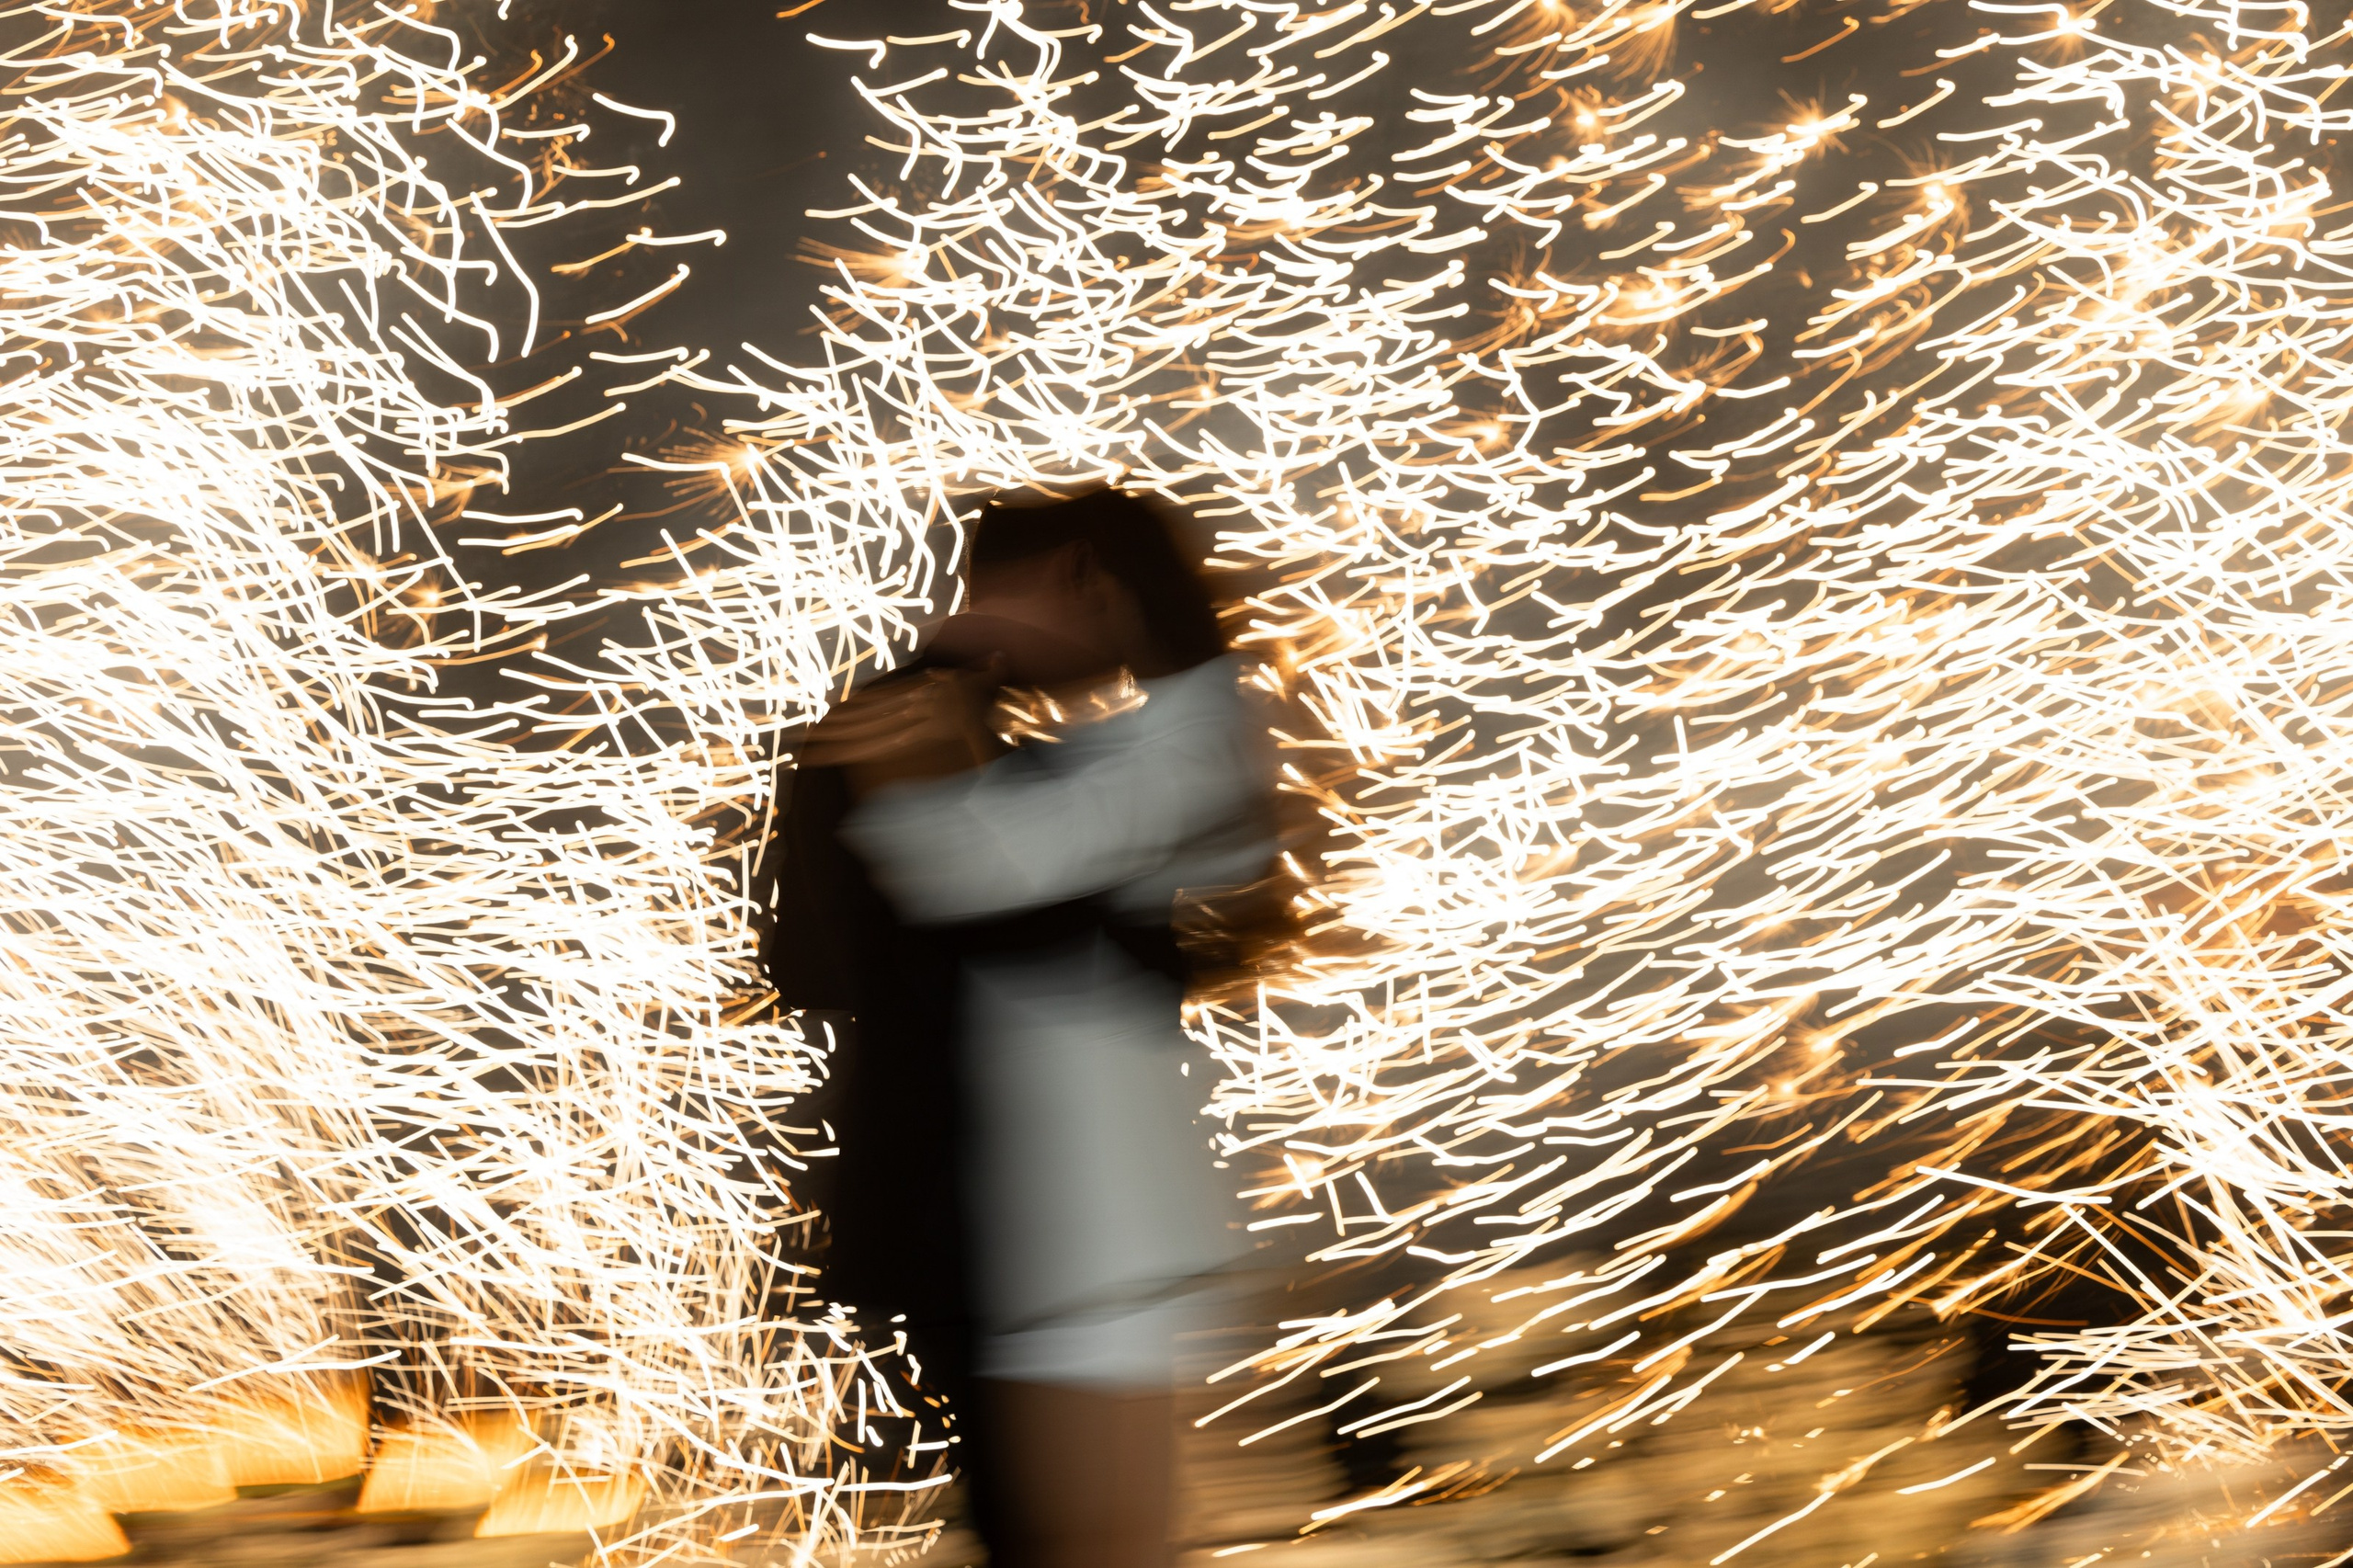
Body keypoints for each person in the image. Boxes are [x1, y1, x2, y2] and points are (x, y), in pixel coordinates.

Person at [770, 488, 1278, 1568]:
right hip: (1034, 1223)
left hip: (995, 1223)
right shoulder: (919, 733)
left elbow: (800, 962)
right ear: (1083, 577)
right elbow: (1171, 834)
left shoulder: (914, 733)